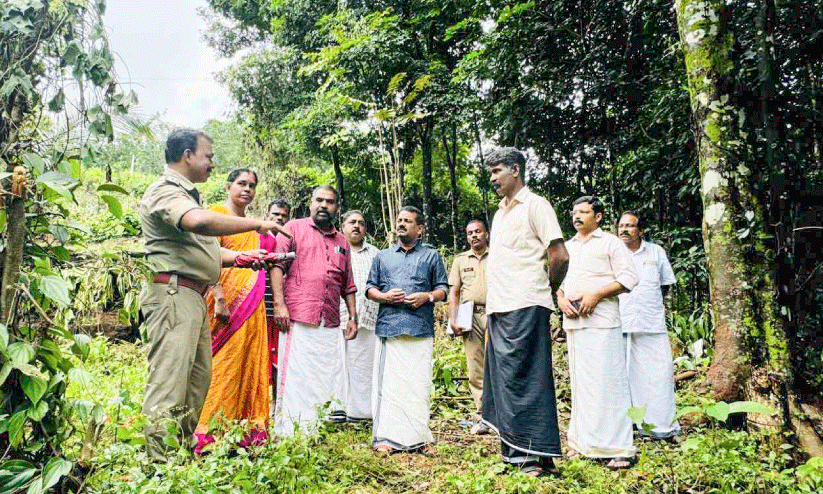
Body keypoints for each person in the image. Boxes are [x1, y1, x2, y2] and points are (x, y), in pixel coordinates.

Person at [139, 128, 285, 460]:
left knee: (196, 381)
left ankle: (182, 453)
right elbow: (200, 224)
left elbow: (212, 253)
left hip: (193, 297)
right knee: (170, 381)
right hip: (174, 294)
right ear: (187, 155)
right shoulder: (166, 191)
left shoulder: (191, 198)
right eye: (209, 156)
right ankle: (160, 465)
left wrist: (248, 258)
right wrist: (255, 224)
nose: (212, 164)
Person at [481, 147, 569, 477]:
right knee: (505, 381)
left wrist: (545, 290)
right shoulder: (500, 213)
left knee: (529, 379)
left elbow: (559, 255)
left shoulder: (536, 205)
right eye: (490, 173)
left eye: (497, 172)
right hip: (500, 306)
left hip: (528, 303)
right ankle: (517, 455)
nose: (492, 179)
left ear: (515, 170)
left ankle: (535, 458)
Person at [193, 169, 274, 451]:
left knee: (248, 362)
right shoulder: (216, 215)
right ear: (228, 186)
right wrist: (220, 298)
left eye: (252, 185)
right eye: (242, 183)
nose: (247, 189)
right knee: (222, 365)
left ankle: (244, 431)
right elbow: (208, 258)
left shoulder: (252, 225)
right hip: (224, 305)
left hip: (253, 305)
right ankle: (209, 433)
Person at [557, 196, 639, 470]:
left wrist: (596, 294)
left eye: (583, 212)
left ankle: (620, 448)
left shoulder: (611, 243)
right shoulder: (566, 247)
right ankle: (582, 443)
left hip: (602, 322)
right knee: (581, 384)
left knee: (609, 383)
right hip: (574, 323)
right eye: (574, 211)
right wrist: (560, 300)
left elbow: (629, 278)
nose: (576, 216)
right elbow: (556, 282)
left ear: (599, 216)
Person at [271, 185, 358, 435]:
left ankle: (315, 427)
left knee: (324, 374)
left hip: (330, 318)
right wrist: (279, 305)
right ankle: (289, 429)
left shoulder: (342, 241)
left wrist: (352, 316)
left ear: (337, 208)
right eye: (319, 200)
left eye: (329, 202)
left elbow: (348, 283)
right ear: (310, 203)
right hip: (297, 315)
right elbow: (277, 266)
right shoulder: (293, 229)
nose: (323, 205)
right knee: (296, 375)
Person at [366, 207, 448, 455]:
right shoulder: (382, 256)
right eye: (399, 220)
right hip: (389, 328)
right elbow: (370, 288)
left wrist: (427, 296)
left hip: (419, 329)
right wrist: (385, 296)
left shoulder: (431, 256)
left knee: (418, 385)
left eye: (408, 221)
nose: (401, 224)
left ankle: (420, 438)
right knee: (388, 386)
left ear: (419, 229)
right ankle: (385, 438)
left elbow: (443, 289)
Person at [617, 211, 680, 439]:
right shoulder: (612, 252)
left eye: (630, 226)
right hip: (619, 322)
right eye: (621, 225)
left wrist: (649, 303)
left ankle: (660, 426)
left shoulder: (656, 252)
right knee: (619, 377)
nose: (624, 230)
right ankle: (625, 427)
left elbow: (665, 284)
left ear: (640, 231)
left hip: (650, 323)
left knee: (656, 375)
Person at [331, 210, 380, 422]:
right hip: (338, 315)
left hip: (368, 317)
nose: (356, 226)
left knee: (363, 365)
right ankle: (337, 409)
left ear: (365, 229)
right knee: (338, 364)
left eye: (361, 223)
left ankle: (360, 412)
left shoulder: (375, 253)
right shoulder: (335, 249)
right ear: (342, 226)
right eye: (352, 222)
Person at [448, 219, 491, 434]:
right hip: (470, 316)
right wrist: (453, 320)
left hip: (495, 314)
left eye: (478, 231)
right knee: (475, 366)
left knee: (500, 363)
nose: (474, 235)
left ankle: (502, 413)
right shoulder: (460, 260)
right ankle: (484, 414)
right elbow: (454, 292)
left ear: (486, 233)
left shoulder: (498, 257)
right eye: (469, 233)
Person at [263, 198, 291, 399]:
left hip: (282, 307)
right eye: (276, 214)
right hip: (260, 304)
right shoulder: (258, 237)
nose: (279, 218)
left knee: (279, 356)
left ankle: (277, 402)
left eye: (283, 215)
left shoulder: (291, 239)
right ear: (268, 215)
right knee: (260, 355)